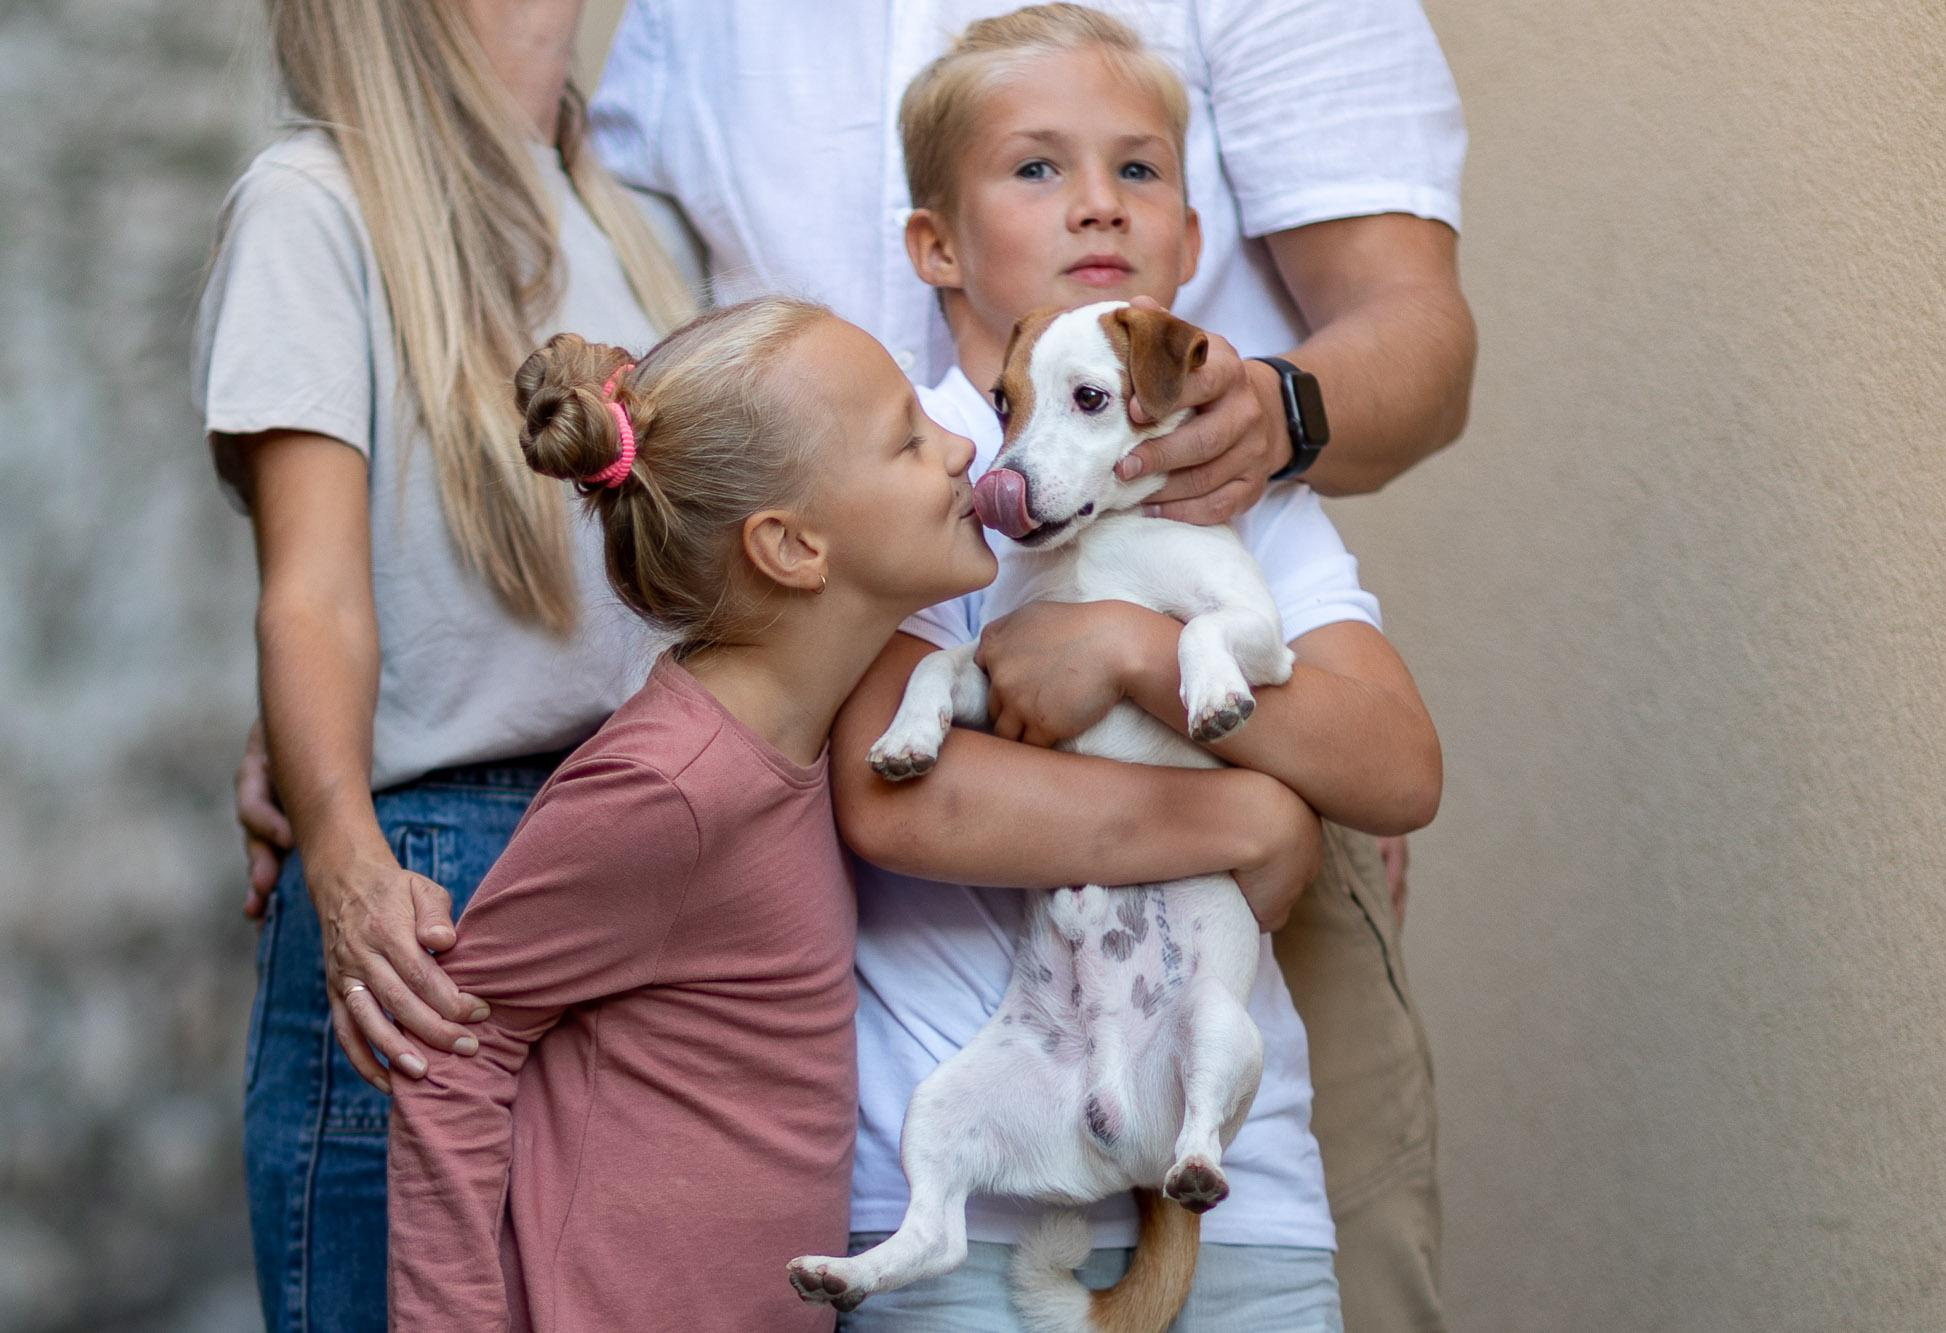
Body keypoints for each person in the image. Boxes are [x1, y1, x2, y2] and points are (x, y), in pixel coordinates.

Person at [591, 3, 1472, 1326]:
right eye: (1038, 169)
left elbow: (1399, 765)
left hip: (1246, 1187)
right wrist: (1251, 811)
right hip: (959, 1175)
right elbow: (901, 796)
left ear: (1192, 237)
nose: (1098, 209)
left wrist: (1127, 649)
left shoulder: (1241, 487)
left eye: (1139, 171)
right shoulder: (907, 469)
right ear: (932, 245)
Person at [192, 0, 699, 1325]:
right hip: (441, 891)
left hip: (660, 865)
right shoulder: (316, 200)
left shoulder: (634, 217)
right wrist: (348, 858)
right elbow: (310, 596)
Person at [388, 304, 997, 1330]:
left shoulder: (800, 737)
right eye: (908, 438)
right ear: (794, 546)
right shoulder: (670, 784)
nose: (961, 447)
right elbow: (457, 1047)